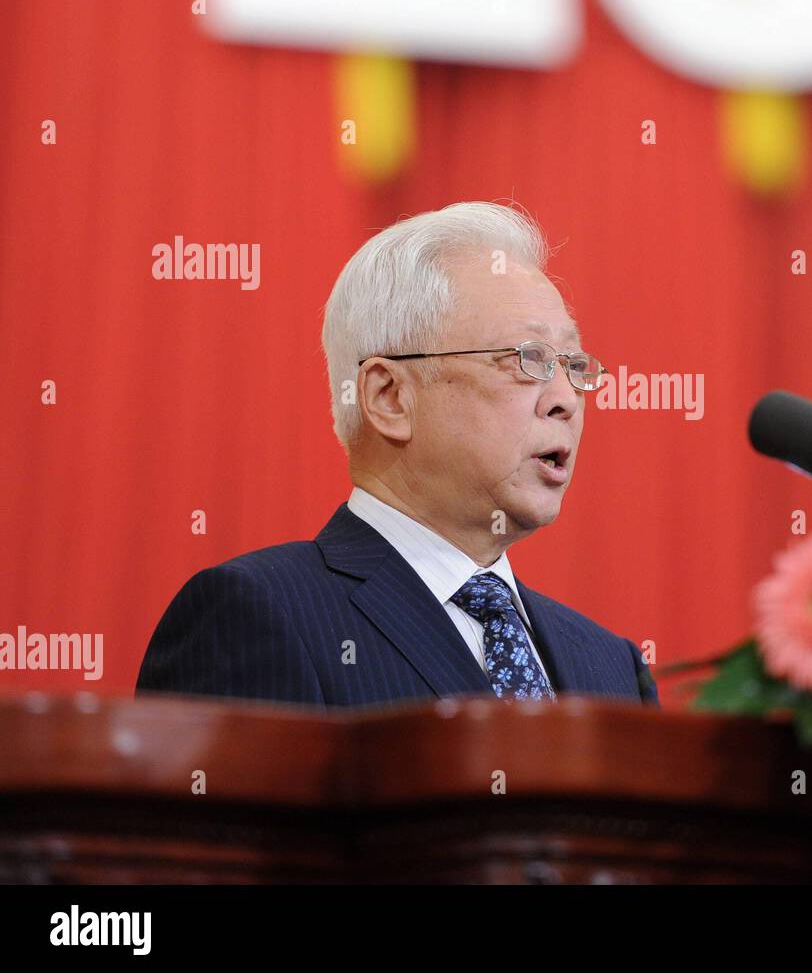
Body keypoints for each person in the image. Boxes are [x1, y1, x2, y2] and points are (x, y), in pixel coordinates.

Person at [137, 202, 657, 709]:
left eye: (575, 364)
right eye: (529, 359)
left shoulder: (612, 669)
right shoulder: (257, 615)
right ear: (390, 397)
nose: (567, 398)